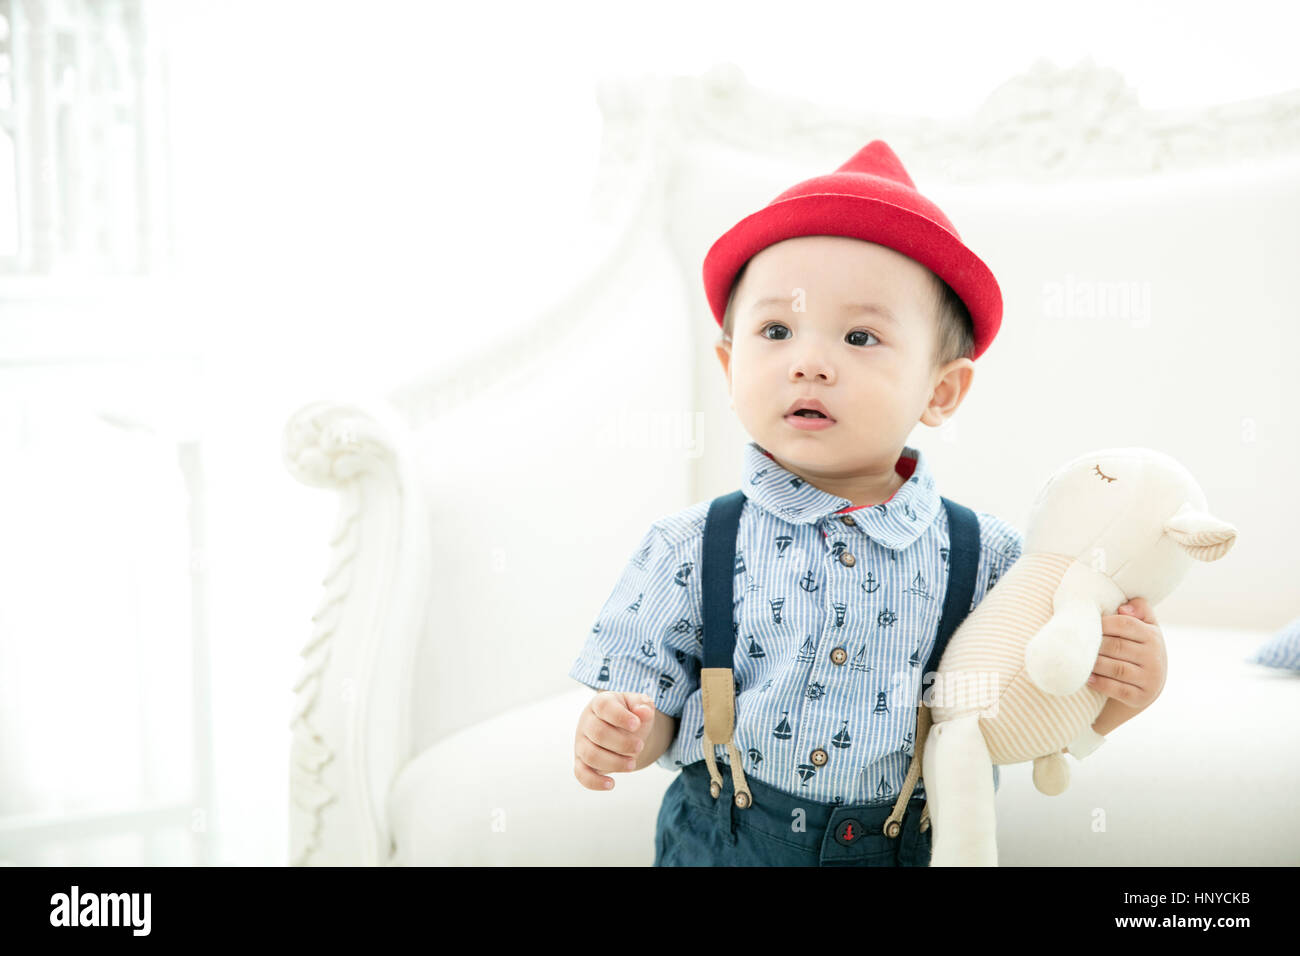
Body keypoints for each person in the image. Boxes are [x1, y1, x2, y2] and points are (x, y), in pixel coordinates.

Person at [568, 140, 1167, 866]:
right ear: (730, 368)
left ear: (941, 391)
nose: (809, 360)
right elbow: (657, 707)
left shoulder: (995, 562)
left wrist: (1123, 691)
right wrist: (626, 732)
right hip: (726, 841)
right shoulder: (688, 547)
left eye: (860, 336)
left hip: (903, 842)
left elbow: (1036, 701)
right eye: (775, 331)